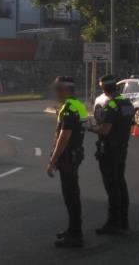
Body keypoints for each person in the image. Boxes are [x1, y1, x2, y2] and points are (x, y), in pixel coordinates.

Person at [89, 74, 134, 235]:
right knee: (121, 183)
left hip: (109, 150)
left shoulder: (111, 105)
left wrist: (90, 128)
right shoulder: (127, 102)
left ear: (104, 89)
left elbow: (105, 129)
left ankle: (113, 223)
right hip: (122, 148)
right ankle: (123, 221)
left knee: (112, 186)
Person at [46, 76, 88, 248]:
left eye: (58, 89)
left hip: (68, 157)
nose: (56, 92)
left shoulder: (69, 108)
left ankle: (75, 234)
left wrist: (52, 160)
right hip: (75, 154)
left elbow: (64, 137)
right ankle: (73, 229)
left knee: (71, 196)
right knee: (73, 195)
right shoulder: (78, 105)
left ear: (66, 90)